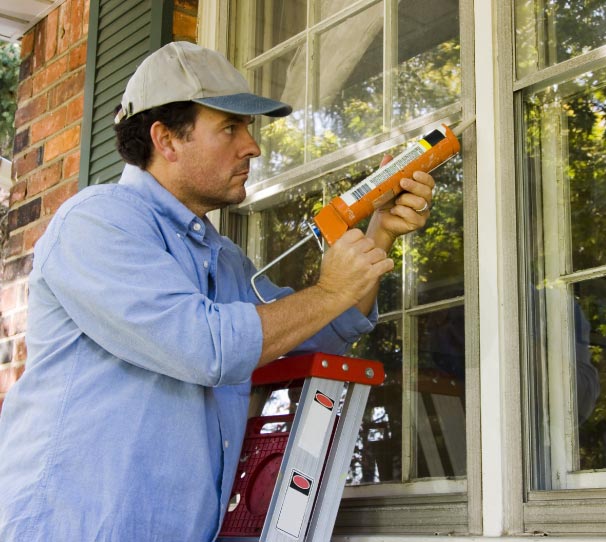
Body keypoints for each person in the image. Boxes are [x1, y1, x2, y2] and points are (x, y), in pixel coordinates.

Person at [0, 41, 435, 541]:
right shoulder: (98, 222)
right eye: (230, 127)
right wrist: (329, 290)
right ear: (166, 139)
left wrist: (377, 231)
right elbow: (203, 346)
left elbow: (321, 333)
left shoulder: (223, 259)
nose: (252, 146)